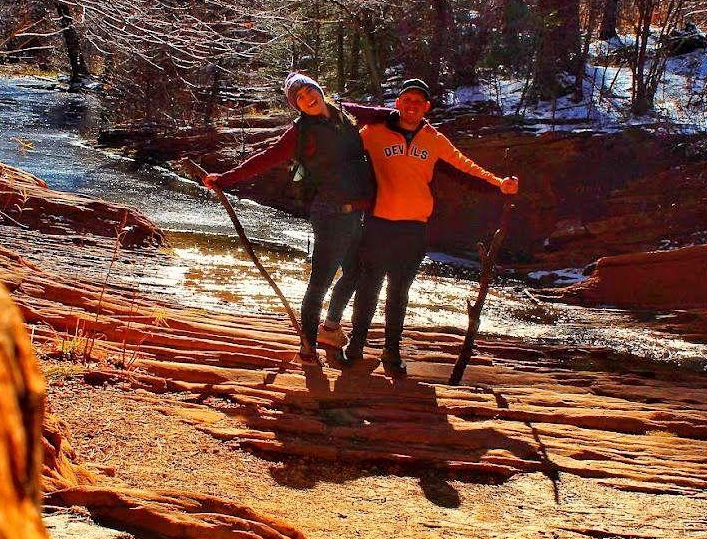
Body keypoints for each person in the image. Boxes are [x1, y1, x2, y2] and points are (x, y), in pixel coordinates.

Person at [203, 70, 391, 362]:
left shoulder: (344, 112)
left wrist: (403, 115)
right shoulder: (301, 131)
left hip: (357, 213)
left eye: (308, 92)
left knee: (354, 274)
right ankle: (308, 345)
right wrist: (225, 179)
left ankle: (330, 327)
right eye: (299, 98)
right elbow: (268, 157)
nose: (307, 99)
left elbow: (379, 114)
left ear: (319, 90)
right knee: (321, 281)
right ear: (297, 106)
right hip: (328, 214)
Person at [339, 77, 519, 378]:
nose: (411, 106)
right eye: (406, 100)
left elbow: (464, 165)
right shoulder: (373, 133)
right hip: (378, 223)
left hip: (415, 228)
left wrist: (499, 184)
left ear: (426, 108)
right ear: (397, 103)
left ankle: (391, 350)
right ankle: (356, 345)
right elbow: (342, 148)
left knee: (400, 291)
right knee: (369, 286)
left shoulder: (433, 139)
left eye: (418, 102)